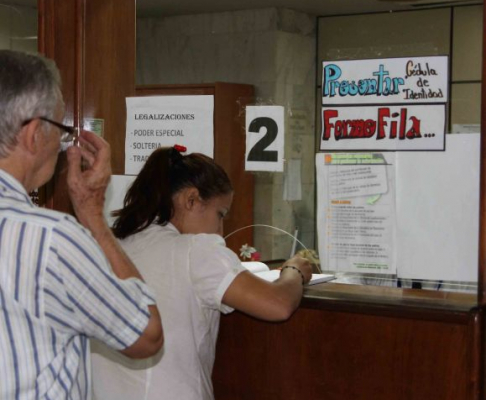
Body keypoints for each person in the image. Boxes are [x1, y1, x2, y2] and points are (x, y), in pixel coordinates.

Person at [0, 50, 163, 399]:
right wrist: (91, 215)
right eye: (60, 129)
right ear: (31, 135)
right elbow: (145, 335)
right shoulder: (50, 238)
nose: (61, 145)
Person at [91, 147, 312, 400]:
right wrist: (294, 270)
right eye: (220, 214)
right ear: (191, 199)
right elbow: (278, 304)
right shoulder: (195, 250)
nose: (219, 230)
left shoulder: (111, 246)